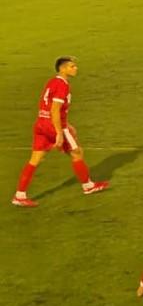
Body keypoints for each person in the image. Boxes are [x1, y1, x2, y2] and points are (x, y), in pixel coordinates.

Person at [15, 56, 108, 207]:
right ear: (63, 69)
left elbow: (48, 107)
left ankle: (19, 195)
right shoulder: (62, 85)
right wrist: (59, 132)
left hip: (41, 123)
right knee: (76, 152)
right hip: (52, 124)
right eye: (72, 66)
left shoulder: (52, 82)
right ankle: (88, 186)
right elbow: (55, 109)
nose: (75, 68)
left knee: (35, 159)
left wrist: (66, 124)